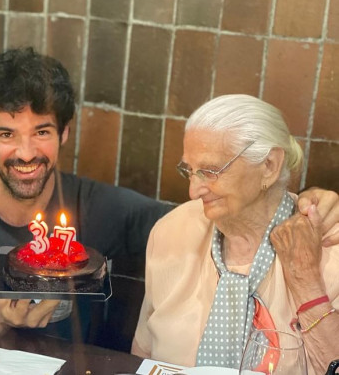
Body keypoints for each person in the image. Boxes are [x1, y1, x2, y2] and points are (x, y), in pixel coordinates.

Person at [0, 47, 339, 345]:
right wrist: (2, 327)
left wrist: (299, 196)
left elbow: (215, 206)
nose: (26, 153)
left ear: (65, 133)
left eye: (42, 132)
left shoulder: (102, 208)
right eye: (5, 134)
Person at [132, 95, 339, 374]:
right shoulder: (173, 232)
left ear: (269, 166)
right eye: (190, 171)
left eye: (210, 171)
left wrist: (307, 284)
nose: (194, 191)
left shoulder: (329, 247)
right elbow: (143, 357)